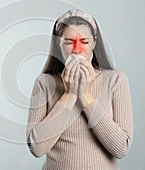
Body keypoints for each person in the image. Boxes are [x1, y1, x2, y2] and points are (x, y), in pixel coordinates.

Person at [26, 9, 134, 170]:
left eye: (84, 42)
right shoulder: (44, 83)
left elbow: (120, 148)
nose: (77, 50)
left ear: (94, 43)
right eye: (69, 42)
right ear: (58, 44)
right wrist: (70, 94)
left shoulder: (116, 80)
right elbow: (37, 148)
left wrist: (85, 96)